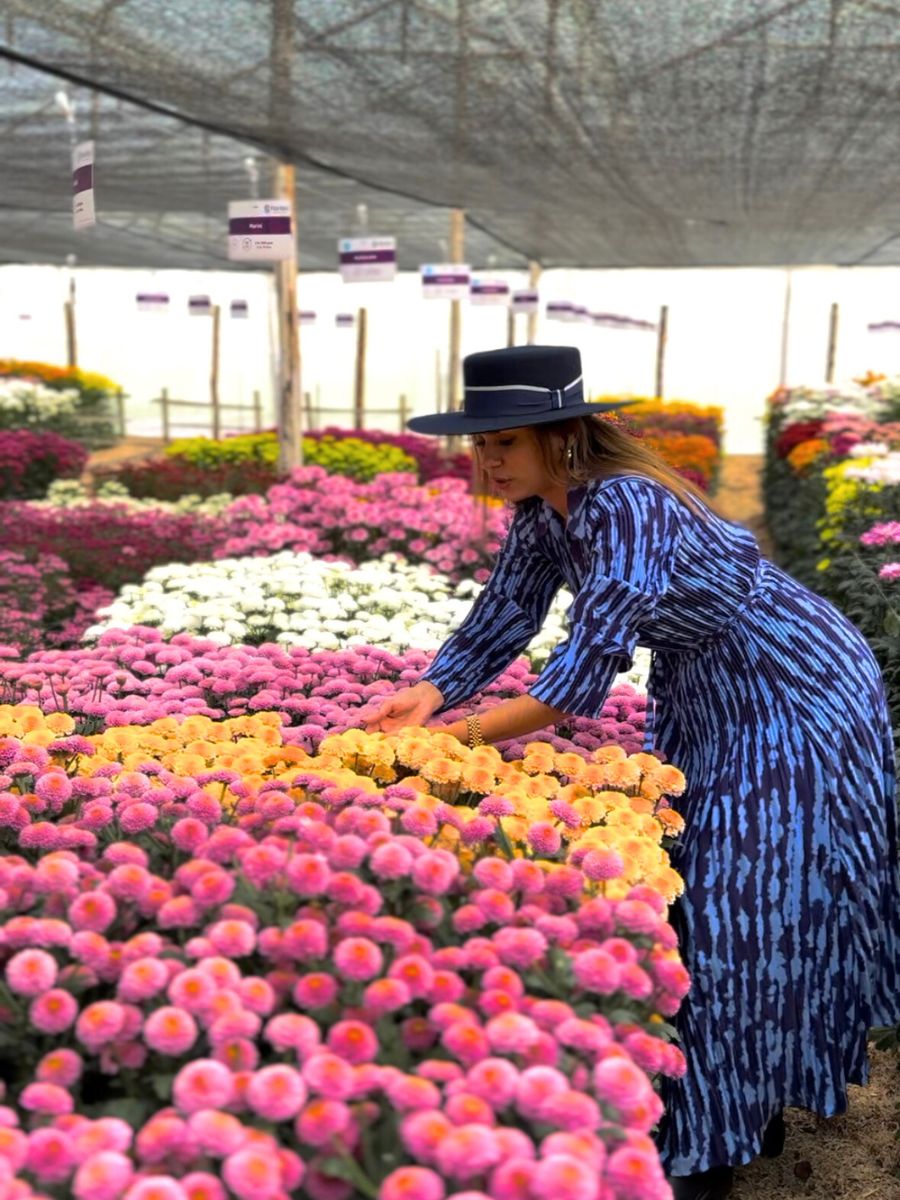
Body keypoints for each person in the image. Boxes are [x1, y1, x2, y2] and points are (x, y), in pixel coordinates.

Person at [363, 344, 900, 1200]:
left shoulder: (626, 504)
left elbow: (584, 669)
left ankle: (716, 1144)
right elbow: (501, 617)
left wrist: (459, 738)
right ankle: (739, 1109)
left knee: (740, 897)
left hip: (795, 683)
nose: (487, 460)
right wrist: (424, 696)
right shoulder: (546, 512)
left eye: (504, 440)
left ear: (563, 434)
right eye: (479, 444)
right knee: (705, 888)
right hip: (708, 687)